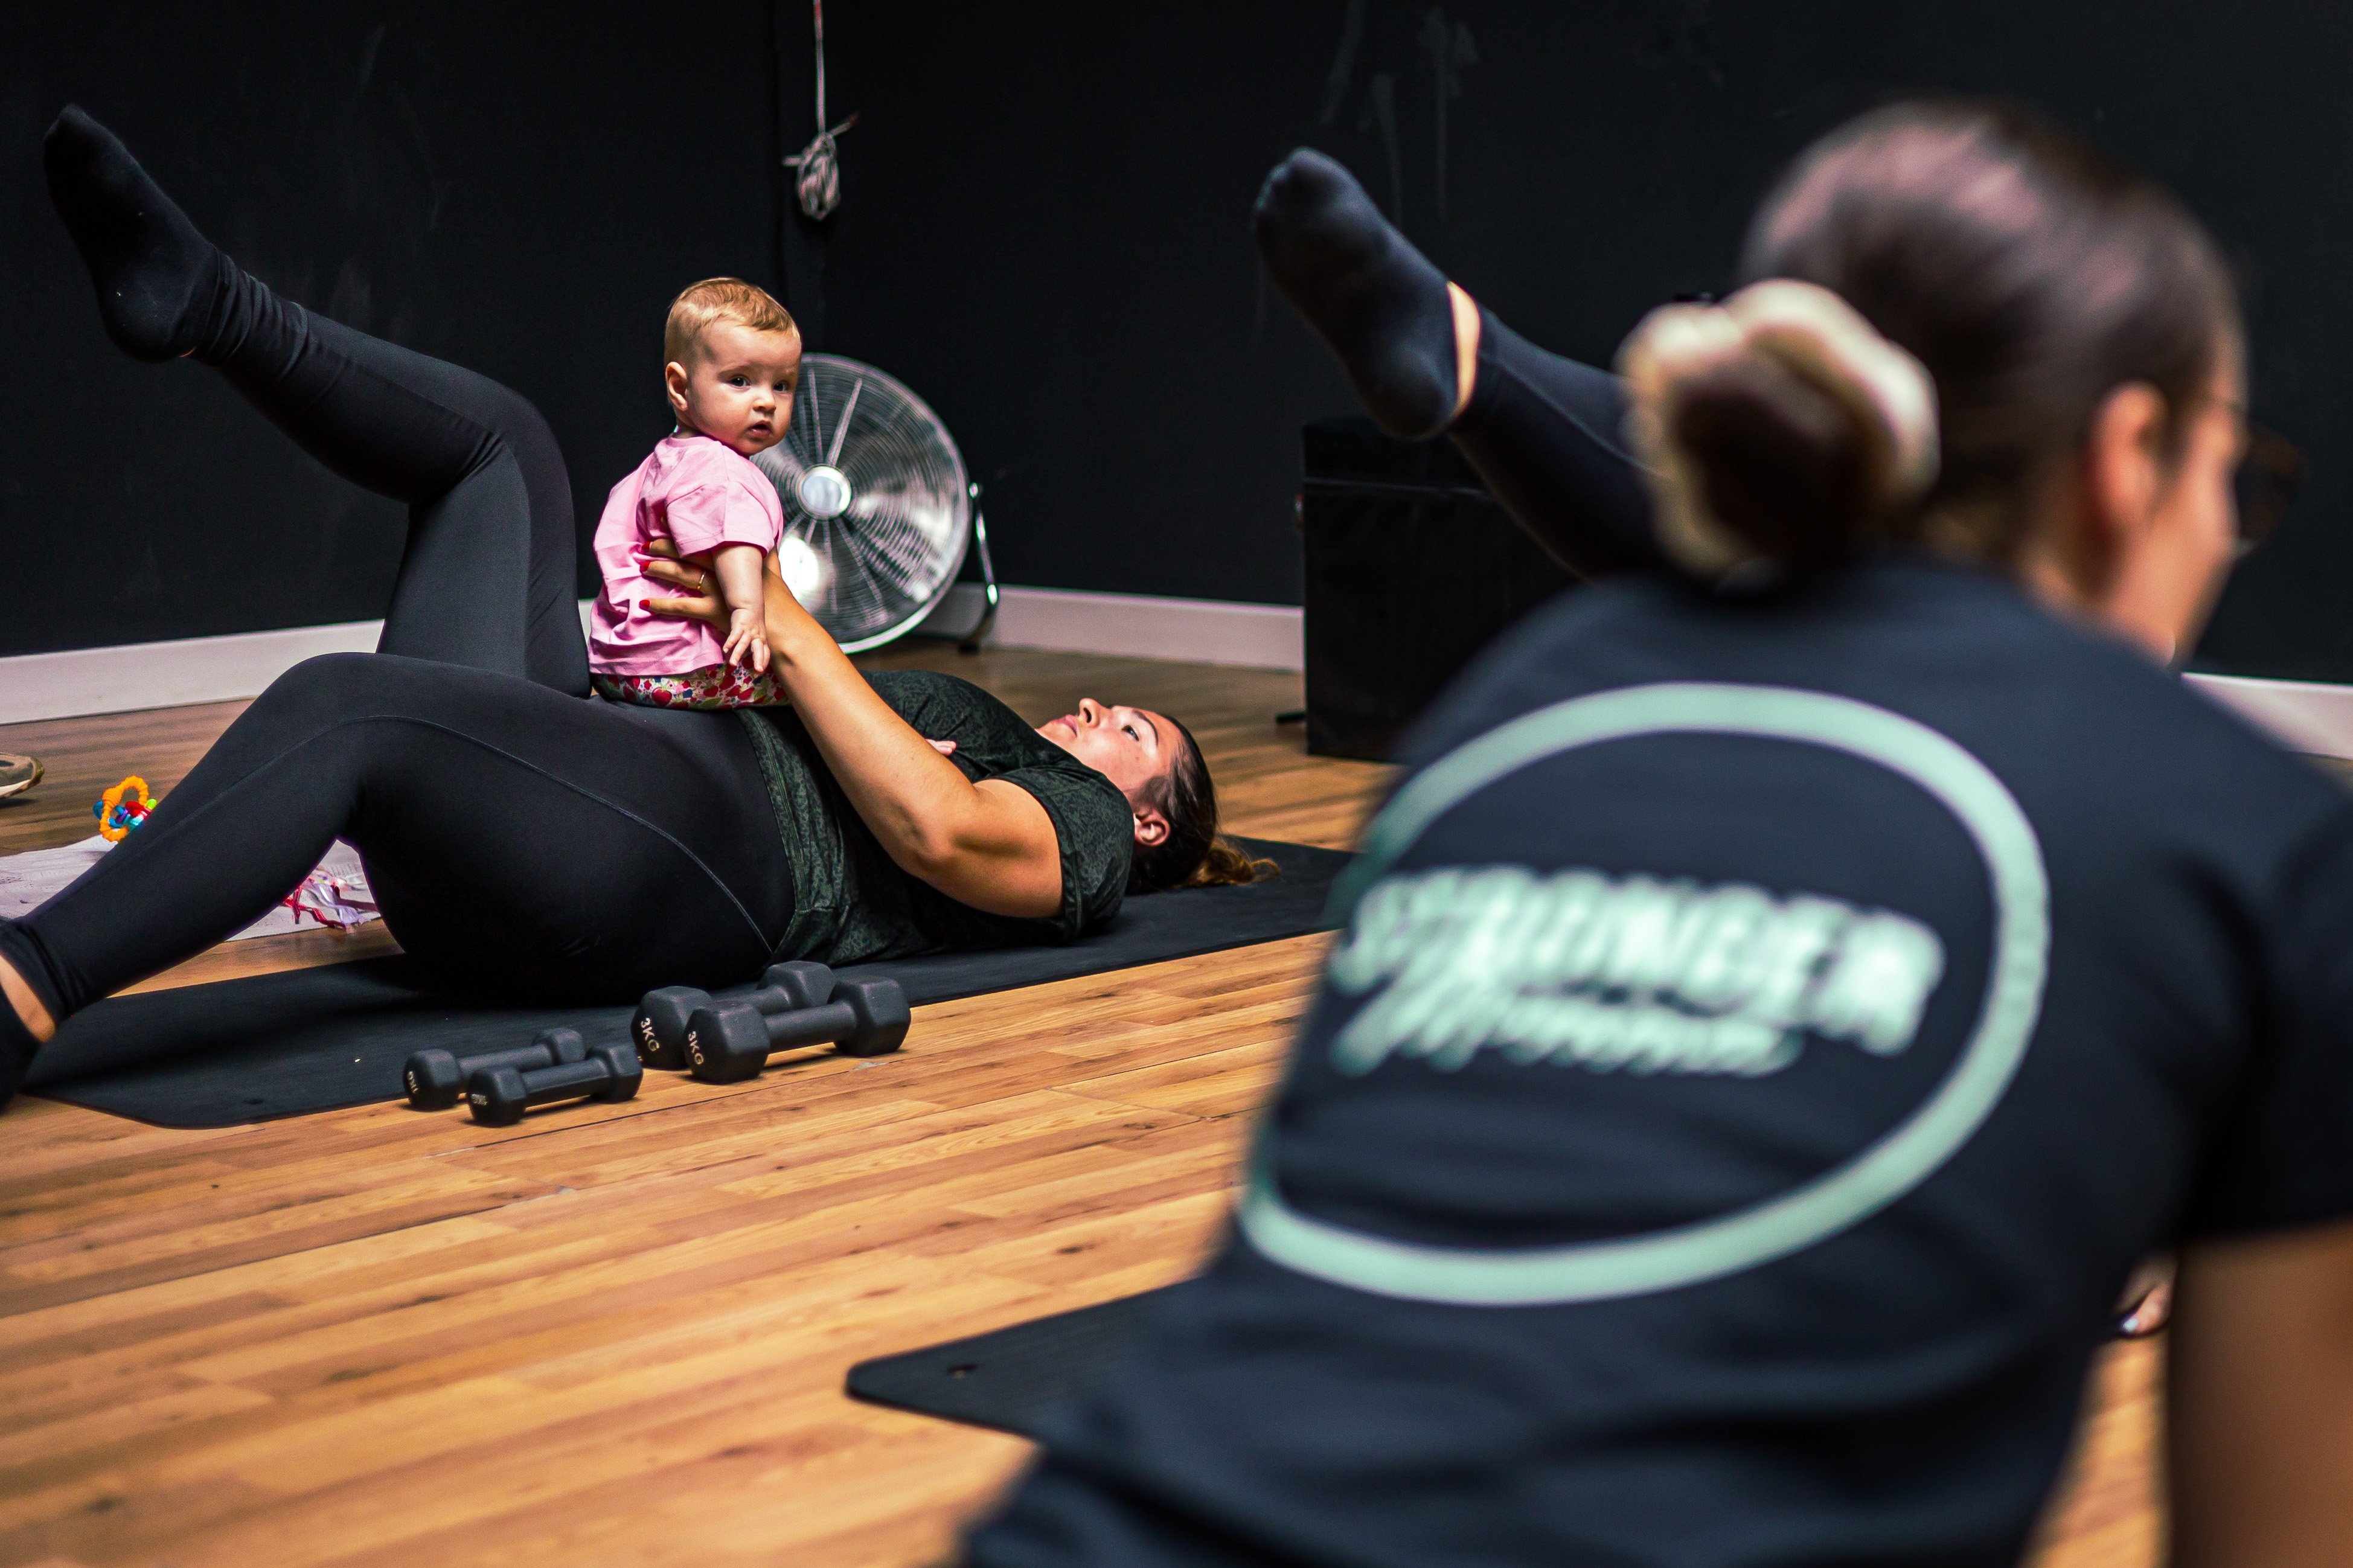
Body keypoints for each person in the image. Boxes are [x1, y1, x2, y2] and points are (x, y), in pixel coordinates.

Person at [963, 103, 2353, 1566]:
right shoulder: (2237, 830)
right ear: (2125, 457)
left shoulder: (1517, 715)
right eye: (2234, 485)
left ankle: (1478, 358)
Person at [0, 107, 1258, 1106]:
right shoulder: (1009, 738)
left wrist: (778, 629)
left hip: (707, 854)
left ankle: (27, 986)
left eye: (1137, 730)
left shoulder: (1087, 835)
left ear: (1148, 825)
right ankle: (210, 306)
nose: (1102, 709)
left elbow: (941, 837)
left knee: (343, 704)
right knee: (499, 445)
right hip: (605, 785)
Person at [588, 278, 799, 711]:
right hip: (687, 669)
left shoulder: (657, 465)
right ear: (680, 388)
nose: (767, 402)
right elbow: (734, 540)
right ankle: (889, 748)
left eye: (781, 384)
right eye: (740, 380)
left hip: (620, 666)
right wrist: (745, 611)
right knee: (811, 690)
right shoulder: (721, 470)